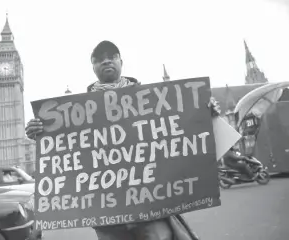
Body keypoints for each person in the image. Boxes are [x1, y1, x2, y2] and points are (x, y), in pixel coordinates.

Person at [26, 40, 221, 240]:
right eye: (99, 59)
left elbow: (180, 127)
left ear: (121, 61)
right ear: (93, 67)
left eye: (111, 57)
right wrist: (39, 132)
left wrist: (206, 112)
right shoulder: (76, 112)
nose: (106, 62)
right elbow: (65, 149)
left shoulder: (152, 99)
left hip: (150, 204)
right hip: (107, 212)